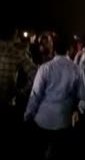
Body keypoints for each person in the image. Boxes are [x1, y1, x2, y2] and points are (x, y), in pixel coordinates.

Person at [24, 35, 85, 160]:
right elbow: (83, 96)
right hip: (64, 120)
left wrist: (28, 114)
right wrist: (77, 111)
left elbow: (35, 95)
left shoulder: (45, 68)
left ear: (54, 49)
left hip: (43, 119)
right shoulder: (77, 69)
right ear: (70, 49)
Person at [0, 27, 37, 158]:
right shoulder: (17, 52)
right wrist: (22, 91)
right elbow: (35, 75)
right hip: (7, 103)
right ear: (14, 35)